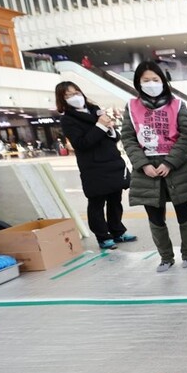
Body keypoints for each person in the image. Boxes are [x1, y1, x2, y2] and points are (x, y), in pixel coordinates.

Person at [121, 61, 187, 272]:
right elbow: (128, 138)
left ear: (163, 82)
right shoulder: (131, 107)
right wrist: (143, 165)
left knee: (185, 214)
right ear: (138, 83)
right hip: (146, 171)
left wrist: (169, 162)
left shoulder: (177, 104)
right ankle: (166, 257)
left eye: (155, 79)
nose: (151, 84)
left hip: (177, 167)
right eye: (146, 80)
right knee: (155, 218)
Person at [56, 82, 136, 250]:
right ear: (62, 100)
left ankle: (118, 231)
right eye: (68, 95)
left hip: (112, 162)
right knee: (97, 203)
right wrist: (100, 126)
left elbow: (115, 137)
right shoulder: (68, 120)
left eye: (76, 92)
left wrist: (110, 128)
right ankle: (103, 236)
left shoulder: (95, 110)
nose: (75, 97)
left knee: (115, 200)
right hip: (93, 167)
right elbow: (82, 144)